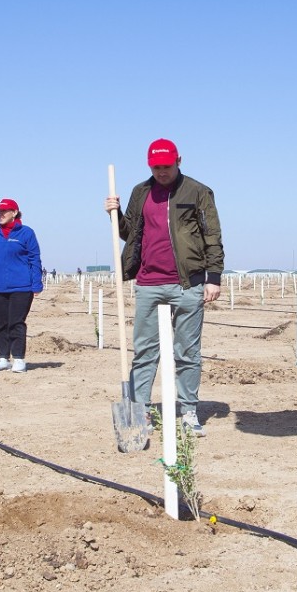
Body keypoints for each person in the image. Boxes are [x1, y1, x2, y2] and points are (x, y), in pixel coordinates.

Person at [105, 138, 224, 437]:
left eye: (167, 166)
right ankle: (140, 409)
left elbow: (212, 235)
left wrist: (214, 277)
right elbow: (129, 234)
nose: (161, 172)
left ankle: (188, 411)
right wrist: (115, 214)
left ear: (179, 161)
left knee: (187, 352)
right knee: (144, 351)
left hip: (188, 284)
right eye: (156, 167)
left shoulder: (198, 192)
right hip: (148, 284)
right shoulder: (140, 192)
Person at [0, 198, 43, 373]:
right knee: (1, 324)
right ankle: (3, 358)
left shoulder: (26, 233)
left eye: (5, 211)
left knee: (16, 323)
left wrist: (36, 284)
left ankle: (19, 359)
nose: (0, 214)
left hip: (22, 287)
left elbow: (34, 258)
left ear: (15, 213)